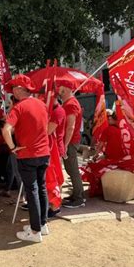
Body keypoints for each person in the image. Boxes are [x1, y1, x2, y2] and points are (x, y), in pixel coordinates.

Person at [2, 75, 50, 243]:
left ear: (19, 89)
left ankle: (35, 230)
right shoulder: (42, 105)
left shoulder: (18, 107)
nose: (12, 92)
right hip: (44, 152)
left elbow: (6, 130)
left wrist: (13, 148)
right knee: (41, 188)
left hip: (28, 154)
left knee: (33, 191)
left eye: (14, 88)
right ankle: (42, 225)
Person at [58, 80, 85, 208]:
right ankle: (76, 195)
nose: (59, 91)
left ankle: (79, 197)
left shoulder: (70, 104)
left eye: (61, 89)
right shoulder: (69, 103)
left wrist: (65, 144)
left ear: (68, 89)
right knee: (70, 169)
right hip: (70, 140)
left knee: (72, 169)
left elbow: (70, 126)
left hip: (70, 141)